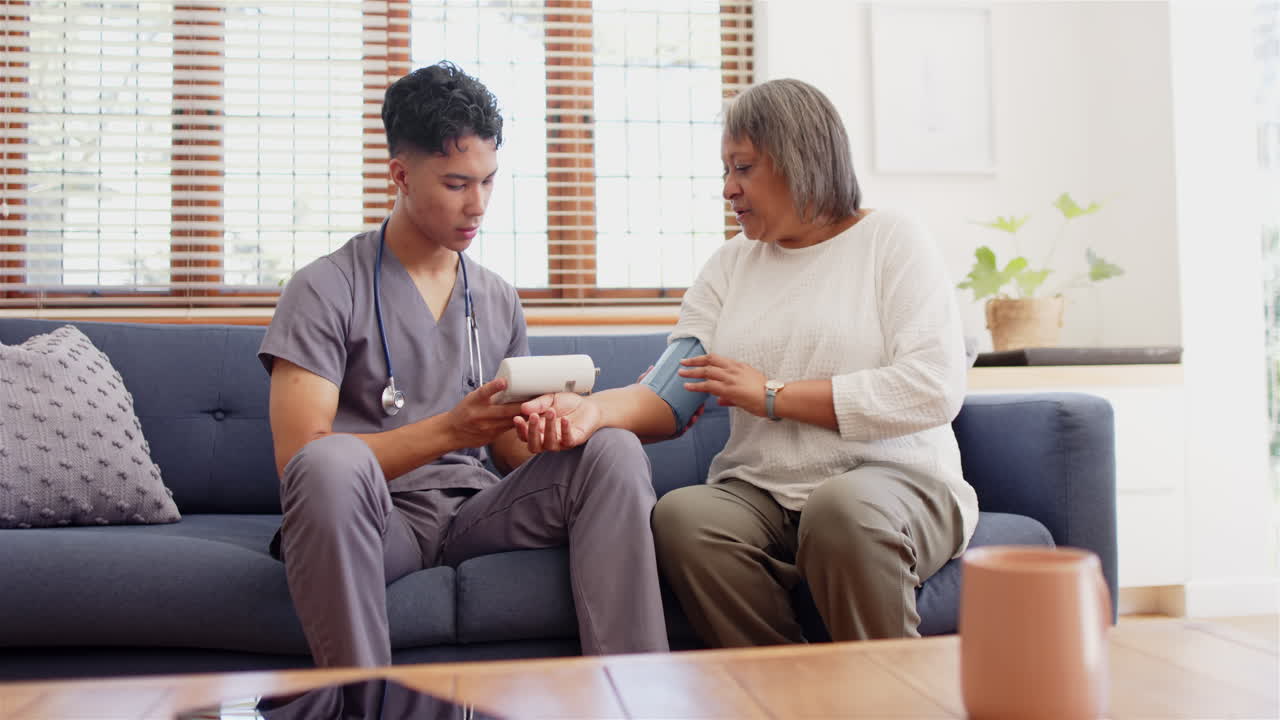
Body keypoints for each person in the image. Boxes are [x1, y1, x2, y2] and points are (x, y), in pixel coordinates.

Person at [514, 78, 977, 647]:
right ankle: (785, 694)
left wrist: (773, 395)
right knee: (686, 518)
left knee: (840, 509)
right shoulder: (731, 264)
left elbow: (932, 387)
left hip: (897, 484)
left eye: (744, 168)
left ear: (800, 159)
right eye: (725, 171)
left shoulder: (892, 240)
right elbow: (671, 389)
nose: (728, 189)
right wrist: (588, 412)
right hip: (764, 494)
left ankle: (890, 697)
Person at [257, 61, 668, 668]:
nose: (477, 205)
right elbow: (299, 464)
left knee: (613, 448)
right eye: (455, 184)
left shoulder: (497, 297)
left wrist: (553, 427)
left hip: (478, 512)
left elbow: (507, 458)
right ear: (399, 174)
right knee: (327, 462)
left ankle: (634, 698)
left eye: (489, 181)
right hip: (378, 519)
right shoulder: (324, 288)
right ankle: (361, 707)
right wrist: (452, 429)